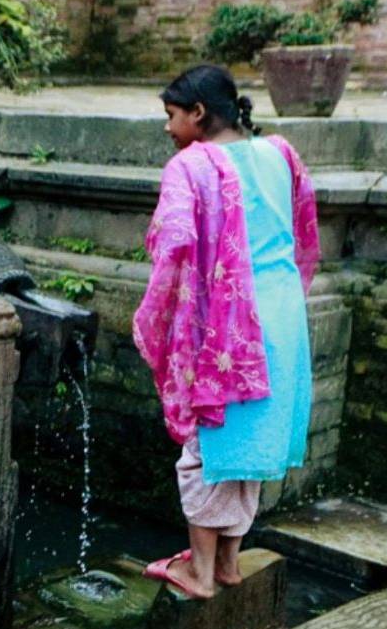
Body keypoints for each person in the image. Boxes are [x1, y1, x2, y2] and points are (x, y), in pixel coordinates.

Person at [133, 63, 319, 599]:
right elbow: (304, 232)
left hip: (228, 324)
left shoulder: (191, 166)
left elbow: (172, 249)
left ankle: (198, 573)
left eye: (171, 115)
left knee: (204, 444)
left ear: (197, 113)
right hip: (283, 317)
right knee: (249, 443)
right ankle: (229, 564)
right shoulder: (281, 153)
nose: (168, 128)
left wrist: (154, 318)